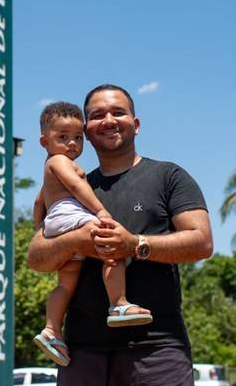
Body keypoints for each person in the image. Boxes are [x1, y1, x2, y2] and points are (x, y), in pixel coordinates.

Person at [27, 84, 213, 386]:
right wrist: (78, 239)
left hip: (159, 347)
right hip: (83, 353)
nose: (108, 120)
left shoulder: (168, 176)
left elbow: (201, 242)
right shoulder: (69, 184)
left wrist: (134, 245)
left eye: (117, 112)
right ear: (86, 128)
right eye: (96, 115)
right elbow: (36, 257)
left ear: (136, 123)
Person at [32, 101, 153, 367]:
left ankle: (52, 330)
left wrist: (40, 229)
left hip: (57, 220)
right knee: (113, 249)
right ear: (44, 141)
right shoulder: (60, 161)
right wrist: (101, 212)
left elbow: (39, 202)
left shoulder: (48, 170)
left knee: (65, 284)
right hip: (71, 216)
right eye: (62, 137)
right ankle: (118, 303)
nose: (72, 143)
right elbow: (76, 186)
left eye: (77, 137)